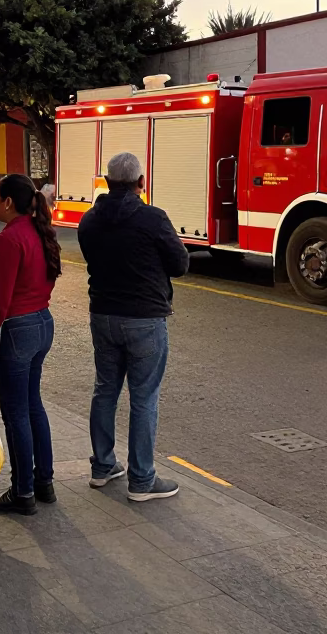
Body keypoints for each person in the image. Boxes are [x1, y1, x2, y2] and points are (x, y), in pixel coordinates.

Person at [77, 152, 190, 502]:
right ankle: (141, 479)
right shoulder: (152, 218)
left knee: (105, 389)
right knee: (143, 398)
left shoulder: (90, 220)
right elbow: (180, 263)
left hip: (104, 316)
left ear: (108, 183)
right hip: (144, 319)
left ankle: (103, 467)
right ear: (141, 182)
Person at [0, 174, 61, 516]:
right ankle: (43, 481)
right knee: (32, 406)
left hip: (14, 329)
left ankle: (22, 491)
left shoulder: (9, 240)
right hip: (41, 323)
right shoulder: (39, 232)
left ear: (8, 202)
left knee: (15, 414)